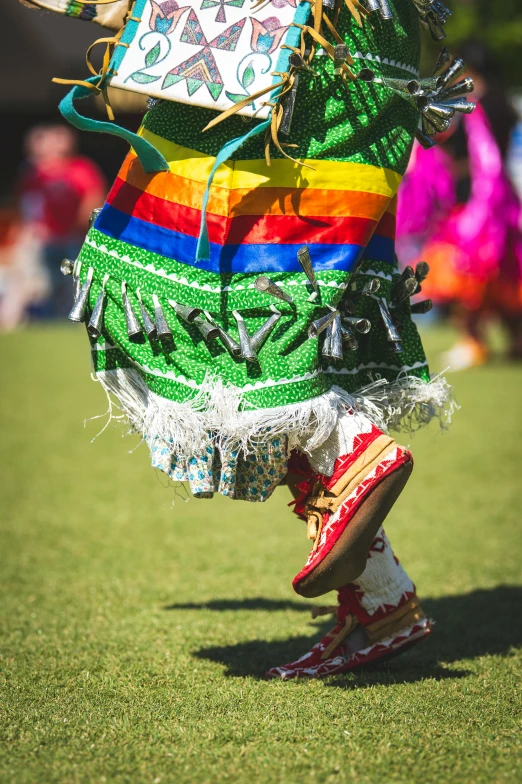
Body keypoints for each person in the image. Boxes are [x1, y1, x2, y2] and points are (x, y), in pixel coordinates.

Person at [18, 0, 467, 678]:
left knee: (161, 277)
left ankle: (353, 450)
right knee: (307, 301)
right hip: (377, 54)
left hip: (276, 44)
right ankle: (384, 600)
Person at [396, 41, 522, 370]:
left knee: (466, 273)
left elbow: (458, 155)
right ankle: (515, 338)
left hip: (476, 206)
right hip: (505, 204)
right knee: (501, 276)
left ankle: (473, 340)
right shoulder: (504, 103)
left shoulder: (473, 109)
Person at [18, 124, 106, 317]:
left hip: (74, 238)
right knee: (44, 283)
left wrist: (81, 227)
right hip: (46, 239)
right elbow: (30, 204)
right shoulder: (34, 173)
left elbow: (93, 199)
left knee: (73, 281)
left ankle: (71, 318)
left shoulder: (81, 168)